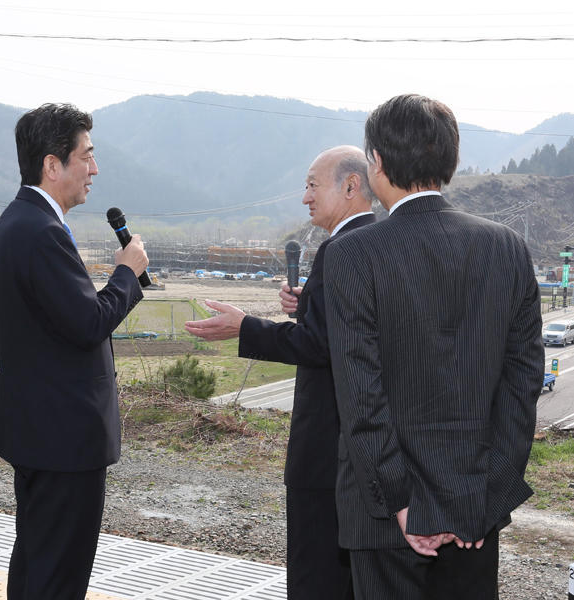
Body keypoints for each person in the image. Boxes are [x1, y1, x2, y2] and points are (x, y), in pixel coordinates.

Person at [323, 94, 543, 599]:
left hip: (384, 517)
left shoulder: (352, 253)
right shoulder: (507, 246)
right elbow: (523, 383)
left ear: (377, 162)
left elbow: (360, 394)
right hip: (474, 510)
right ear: (451, 159)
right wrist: (489, 493)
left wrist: (400, 502)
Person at [184, 145, 376, 599]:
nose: (305, 197)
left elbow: (321, 345)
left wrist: (244, 326)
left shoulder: (340, 249)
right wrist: (309, 306)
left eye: (312, 185)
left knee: (318, 574)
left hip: (328, 447)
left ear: (351, 186)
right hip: (368, 448)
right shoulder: (380, 241)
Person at [0, 103, 149, 600]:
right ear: (52, 165)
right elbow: (88, 323)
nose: (94, 169)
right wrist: (127, 273)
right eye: (87, 156)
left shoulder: (18, 222)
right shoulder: (41, 232)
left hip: (39, 429)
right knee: (58, 577)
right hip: (63, 436)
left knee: (37, 565)